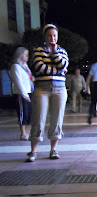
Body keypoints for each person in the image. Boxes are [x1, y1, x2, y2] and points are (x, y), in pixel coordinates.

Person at [26, 24, 69, 162]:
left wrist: (54, 53)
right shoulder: (38, 51)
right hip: (41, 88)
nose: (52, 38)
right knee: (38, 119)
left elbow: (63, 64)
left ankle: (53, 149)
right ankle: (33, 151)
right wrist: (58, 70)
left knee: (57, 120)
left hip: (60, 89)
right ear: (45, 36)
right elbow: (39, 67)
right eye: (49, 35)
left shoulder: (62, 51)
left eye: (55, 35)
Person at [10, 47, 34, 140]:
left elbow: (28, 79)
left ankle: (27, 133)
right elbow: (18, 82)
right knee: (22, 113)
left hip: (29, 92)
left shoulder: (25, 66)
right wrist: (25, 95)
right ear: (20, 55)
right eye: (25, 54)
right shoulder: (16, 67)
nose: (27, 56)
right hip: (21, 94)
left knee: (29, 113)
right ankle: (23, 133)